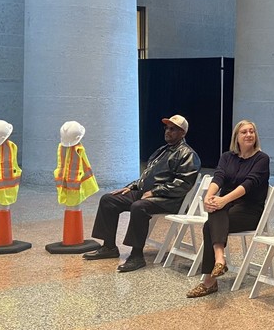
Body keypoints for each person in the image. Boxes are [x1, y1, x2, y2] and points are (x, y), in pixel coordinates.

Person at [83, 115, 201, 272]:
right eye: (166, 128)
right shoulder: (162, 150)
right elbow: (147, 175)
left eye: (173, 129)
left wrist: (155, 191)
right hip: (150, 193)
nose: (168, 131)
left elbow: (183, 185)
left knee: (139, 207)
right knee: (108, 199)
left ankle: (137, 256)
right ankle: (109, 247)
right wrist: (132, 187)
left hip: (170, 199)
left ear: (183, 133)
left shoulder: (188, 154)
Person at [186, 120, 270, 298]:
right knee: (214, 215)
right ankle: (219, 261)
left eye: (251, 131)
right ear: (236, 137)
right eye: (244, 132)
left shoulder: (261, 159)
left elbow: (249, 184)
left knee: (211, 224)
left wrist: (222, 200)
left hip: (250, 210)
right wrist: (209, 196)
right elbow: (219, 177)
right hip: (227, 207)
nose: (248, 135)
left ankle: (211, 279)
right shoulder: (227, 157)